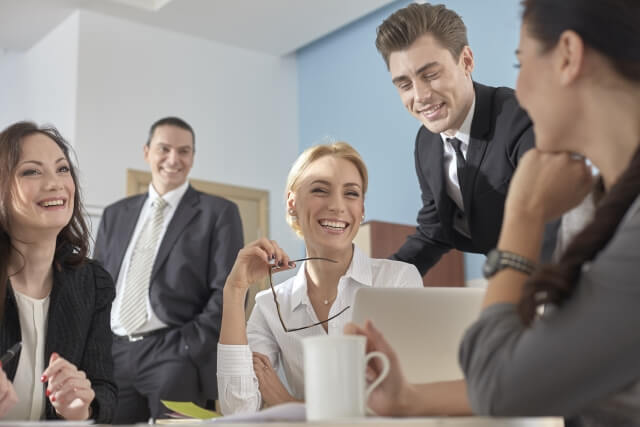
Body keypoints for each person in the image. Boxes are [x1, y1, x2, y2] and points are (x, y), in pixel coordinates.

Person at [349, 0, 640, 424]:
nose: (517, 87)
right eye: (404, 83)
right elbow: (533, 381)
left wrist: (524, 213)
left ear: (568, 58)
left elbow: (502, 382)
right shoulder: (426, 144)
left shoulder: (517, 121)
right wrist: (406, 397)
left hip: (534, 289)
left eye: (521, 63)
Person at [216, 142, 425, 415]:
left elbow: (402, 403)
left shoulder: (397, 281)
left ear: (362, 209)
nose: (337, 206)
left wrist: (286, 402)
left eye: (351, 193)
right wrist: (234, 291)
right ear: (293, 203)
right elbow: (239, 409)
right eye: (319, 190)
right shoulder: (270, 306)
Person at [377, 3, 557, 275]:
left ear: (467, 61)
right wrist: (377, 279)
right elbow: (435, 230)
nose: (420, 96)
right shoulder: (426, 143)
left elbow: (549, 220)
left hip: (559, 276)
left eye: (431, 75)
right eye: (404, 84)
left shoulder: (520, 116)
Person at [94, 117, 244, 423]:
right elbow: (96, 287)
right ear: (147, 152)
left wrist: (188, 346)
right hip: (114, 357)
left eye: (184, 151)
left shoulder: (218, 213)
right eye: (164, 149)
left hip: (176, 357)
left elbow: (228, 291)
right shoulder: (114, 215)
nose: (174, 159)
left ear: (192, 157)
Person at [0, 122, 116, 422]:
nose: (55, 183)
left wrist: (82, 407)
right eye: (31, 171)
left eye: (62, 169)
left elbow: (104, 388)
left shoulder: (93, 283)